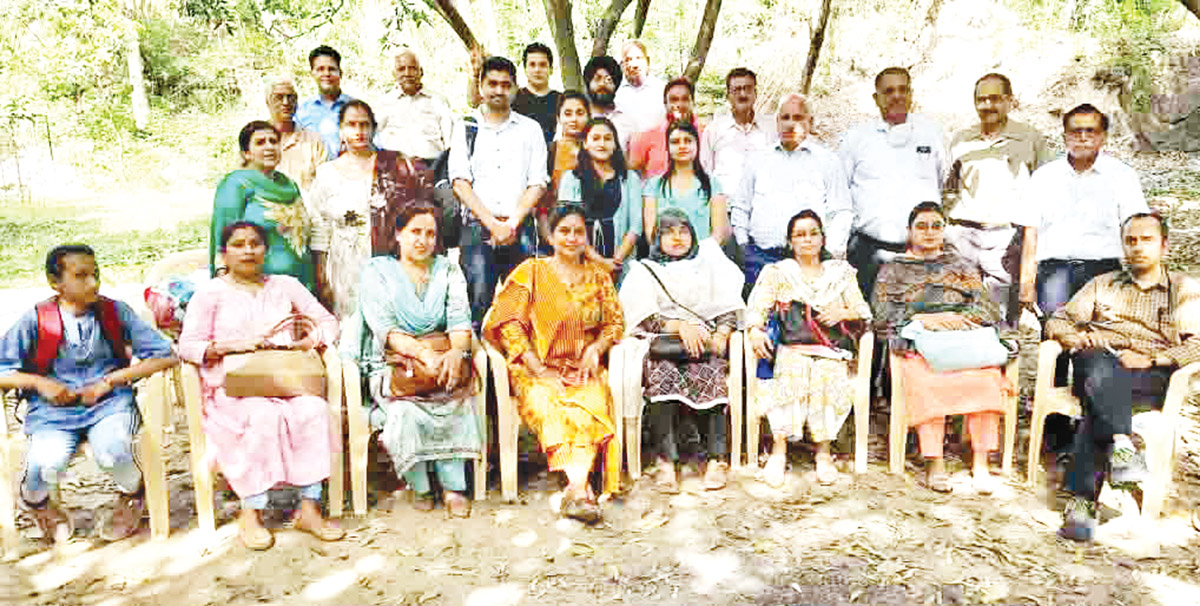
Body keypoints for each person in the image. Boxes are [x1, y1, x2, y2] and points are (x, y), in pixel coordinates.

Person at [179, 221, 344, 550]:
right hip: (233, 389)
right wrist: (231, 346)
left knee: (314, 410)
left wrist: (312, 339)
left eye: (255, 243)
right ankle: (251, 513)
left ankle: (309, 509)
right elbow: (187, 346)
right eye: (238, 244)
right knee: (261, 417)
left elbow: (327, 321)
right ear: (223, 253)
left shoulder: (286, 285)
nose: (248, 250)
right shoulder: (210, 293)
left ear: (266, 250)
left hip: (285, 380)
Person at [0, 245, 177, 544]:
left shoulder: (113, 312)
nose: (93, 283)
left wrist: (110, 381)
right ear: (55, 283)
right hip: (52, 412)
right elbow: (3, 370)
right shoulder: (36, 320)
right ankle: (36, 502)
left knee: (113, 451)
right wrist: (40, 384)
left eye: (95, 274)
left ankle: (133, 495)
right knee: (46, 463)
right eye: (81, 276)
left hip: (109, 405)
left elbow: (166, 356)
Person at [1045, 212, 1200, 541]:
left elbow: (1197, 344)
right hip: (1099, 359)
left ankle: (1082, 502)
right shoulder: (1103, 283)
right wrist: (1076, 339)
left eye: (1147, 240)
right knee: (1097, 364)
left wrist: (1151, 358)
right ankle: (1121, 443)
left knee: (1098, 398)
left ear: (1164, 245)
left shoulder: (1183, 290)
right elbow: (1058, 319)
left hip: (1150, 373)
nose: (1137, 247)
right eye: (1131, 240)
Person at [482, 203, 623, 522]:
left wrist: (596, 348)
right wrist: (538, 368)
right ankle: (579, 488)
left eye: (578, 232)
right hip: (534, 366)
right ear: (552, 235)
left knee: (590, 403)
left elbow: (615, 323)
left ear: (586, 237)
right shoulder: (531, 271)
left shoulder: (598, 278)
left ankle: (576, 488)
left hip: (581, 365)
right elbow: (508, 323)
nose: (572, 238)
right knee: (550, 404)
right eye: (565, 231)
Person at [348, 204, 480, 517]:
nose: (422, 240)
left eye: (430, 234)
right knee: (404, 411)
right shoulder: (376, 271)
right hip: (392, 363)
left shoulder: (448, 270)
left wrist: (456, 353)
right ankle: (419, 486)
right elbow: (385, 329)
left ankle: (453, 488)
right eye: (415, 232)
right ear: (398, 235)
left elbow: (459, 319)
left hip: (441, 357)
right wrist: (424, 354)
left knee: (456, 398)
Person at [873, 202, 1008, 494]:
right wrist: (922, 318)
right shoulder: (893, 268)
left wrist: (959, 318)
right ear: (909, 232)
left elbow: (986, 305)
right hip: (920, 341)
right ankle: (934, 461)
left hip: (962, 337)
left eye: (936, 225)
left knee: (986, 378)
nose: (930, 232)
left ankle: (981, 463)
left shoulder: (960, 265)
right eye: (922, 226)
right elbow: (881, 313)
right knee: (926, 378)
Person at [619, 209, 744, 491]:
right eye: (668, 232)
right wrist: (678, 325)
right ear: (657, 238)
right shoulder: (644, 270)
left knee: (711, 370)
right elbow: (640, 315)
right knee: (661, 374)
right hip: (665, 343)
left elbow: (727, 306)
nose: (677, 238)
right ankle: (666, 459)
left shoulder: (709, 264)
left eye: (683, 231)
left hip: (705, 342)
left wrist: (722, 335)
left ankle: (716, 458)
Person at [746, 211, 871, 487]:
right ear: (790, 242)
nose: (807, 239)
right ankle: (779, 452)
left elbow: (864, 310)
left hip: (830, 349)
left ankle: (823, 453)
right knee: (794, 369)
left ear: (822, 238)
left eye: (813, 233)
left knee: (826, 372)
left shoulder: (841, 273)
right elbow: (757, 307)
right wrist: (755, 329)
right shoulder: (778, 273)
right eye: (800, 234)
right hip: (793, 346)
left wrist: (843, 311)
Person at [1017, 104, 1150, 317]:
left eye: (1091, 131)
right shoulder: (1043, 177)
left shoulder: (1123, 176)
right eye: (1076, 131)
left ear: (1103, 136)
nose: (1083, 137)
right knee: (1056, 334)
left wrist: (1144, 278)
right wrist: (1026, 285)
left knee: (1103, 339)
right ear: (1065, 137)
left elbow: (1137, 230)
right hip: (1054, 274)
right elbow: (1030, 234)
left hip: (1105, 271)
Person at [944, 73, 1052, 326]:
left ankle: (999, 365)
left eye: (995, 98)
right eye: (981, 99)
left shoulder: (1030, 139)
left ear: (1009, 101)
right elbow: (949, 186)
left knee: (1000, 316)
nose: (987, 106)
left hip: (1006, 239)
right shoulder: (961, 139)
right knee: (956, 311)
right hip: (962, 237)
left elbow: (1046, 190)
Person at [308, 100, 432, 319]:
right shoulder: (326, 173)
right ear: (341, 129)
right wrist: (321, 275)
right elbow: (320, 227)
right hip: (344, 266)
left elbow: (412, 219)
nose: (359, 131)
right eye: (352, 125)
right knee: (350, 329)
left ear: (374, 129)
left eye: (364, 125)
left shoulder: (394, 167)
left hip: (388, 262)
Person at [450, 56, 548, 331]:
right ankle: (478, 366)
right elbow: (460, 182)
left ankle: (518, 370)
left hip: (521, 229)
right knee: (476, 303)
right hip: (477, 228)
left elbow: (538, 182)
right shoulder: (465, 127)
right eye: (492, 83)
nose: (498, 90)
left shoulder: (530, 129)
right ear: (480, 86)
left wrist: (510, 225)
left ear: (515, 88)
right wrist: (493, 224)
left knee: (524, 309)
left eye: (505, 85)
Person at [839, 67, 947, 299]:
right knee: (867, 322)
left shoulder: (932, 133)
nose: (896, 96)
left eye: (902, 89)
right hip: (868, 252)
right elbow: (841, 192)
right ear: (876, 98)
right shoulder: (857, 138)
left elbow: (944, 182)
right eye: (888, 91)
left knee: (919, 319)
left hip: (922, 252)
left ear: (911, 93)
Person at [734, 93, 853, 290]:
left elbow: (841, 211)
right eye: (785, 118)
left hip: (810, 263)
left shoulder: (827, 161)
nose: (790, 124)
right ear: (777, 121)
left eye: (798, 118)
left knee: (804, 321)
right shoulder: (757, 160)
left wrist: (829, 253)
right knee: (760, 319)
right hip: (761, 260)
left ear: (810, 122)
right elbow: (741, 207)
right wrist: (744, 246)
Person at [211, 120, 317, 293]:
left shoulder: (289, 184)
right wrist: (227, 288)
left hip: (301, 283)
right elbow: (222, 240)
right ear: (247, 153)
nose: (269, 147)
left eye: (273, 141)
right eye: (260, 143)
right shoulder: (236, 184)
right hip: (257, 288)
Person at [558, 117, 643, 273]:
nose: (602, 144)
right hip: (580, 263)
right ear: (585, 143)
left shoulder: (630, 179)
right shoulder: (571, 179)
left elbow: (635, 227)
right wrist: (600, 262)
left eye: (607, 139)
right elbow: (569, 224)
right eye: (595, 138)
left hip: (622, 264)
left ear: (615, 144)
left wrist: (616, 261)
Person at [699, 68, 777, 208]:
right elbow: (705, 173)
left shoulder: (772, 129)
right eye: (736, 90)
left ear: (755, 93)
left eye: (747, 89)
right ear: (728, 95)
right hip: (725, 210)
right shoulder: (714, 130)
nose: (742, 94)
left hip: (763, 209)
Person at [642, 121, 729, 244]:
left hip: (703, 258)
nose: (682, 146)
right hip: (664, 259)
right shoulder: (654, 185)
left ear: (697, 145)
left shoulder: (713, 184)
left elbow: (718, 235)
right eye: (675, 142)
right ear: (667, 148)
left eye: (688, 141)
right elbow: (651, 235)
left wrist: (698, 259)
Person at [374, 49, 454, 163]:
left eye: (412, 68)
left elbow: (450, 144)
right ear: (394, 74)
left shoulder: (438, 101)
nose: (407, 73)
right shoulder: (384, 103)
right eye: (401, 69)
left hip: (432, 168)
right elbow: (371, 138)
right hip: (395, 170)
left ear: (421, 72)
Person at [538, 91, 591, 248]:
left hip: (593, 236)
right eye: (568, 114)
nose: (574, 119)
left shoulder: (597, 150)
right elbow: (541, 206)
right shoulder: (549, 151)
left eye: (580, 113)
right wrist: (550, 240)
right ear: (559, 118)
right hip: (557, 236)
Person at [628, 77, 703, 179]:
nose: (679, 104)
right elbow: (631, 173)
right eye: (674, 100)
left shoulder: (706, 134)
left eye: (685, 99)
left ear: (692, 102)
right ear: (665, 104)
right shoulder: (647, 137)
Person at [264, 75, 327, 192]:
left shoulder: (314, 141)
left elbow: (323, 186)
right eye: (279, 97)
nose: (286, 102)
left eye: (290, 97)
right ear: (268, 102)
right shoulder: (255, 140)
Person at [296, 45, 353, 161]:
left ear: (340, 73)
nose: (326, 74)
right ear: (312, 74)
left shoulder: (356, 108)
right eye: (320, 69)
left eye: (331, 69)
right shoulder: (302, 112)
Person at [512, 42, 563, 145]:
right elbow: (475, 102)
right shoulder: (513, 98)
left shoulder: (561, 100)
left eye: (542, 65)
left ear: (551, 69)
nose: (537, 70)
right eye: (532, 65)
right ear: (525, 69)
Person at [582, 55, 635, 152]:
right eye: (597, 79)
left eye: (608, 79)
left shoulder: (627, 118)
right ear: (588, 83)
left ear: (616, 85)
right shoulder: (577, 116)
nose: (602, 84)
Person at [614, 40, 666, 136]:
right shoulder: (614, 93)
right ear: (622, 65)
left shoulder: (662, 91)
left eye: (639, 58)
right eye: (628, 59)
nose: (634, 65)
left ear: (648, 61)